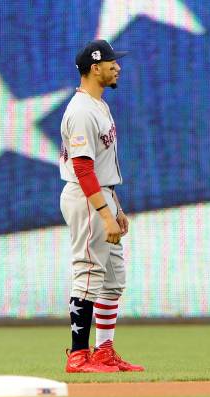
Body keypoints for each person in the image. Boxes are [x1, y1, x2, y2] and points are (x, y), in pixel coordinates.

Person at [59, 40, 143, 373]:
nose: (117, 66)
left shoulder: (98, 105)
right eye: (112, 62)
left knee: (113, 280)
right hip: (86, 197)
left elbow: (102, 165)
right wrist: (105, 214)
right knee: (89, 271)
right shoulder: (80, 110)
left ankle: (104, 350)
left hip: (102, 194)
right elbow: (82, 168)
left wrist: (116, 207)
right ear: (95, 68)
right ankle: (78, 356)